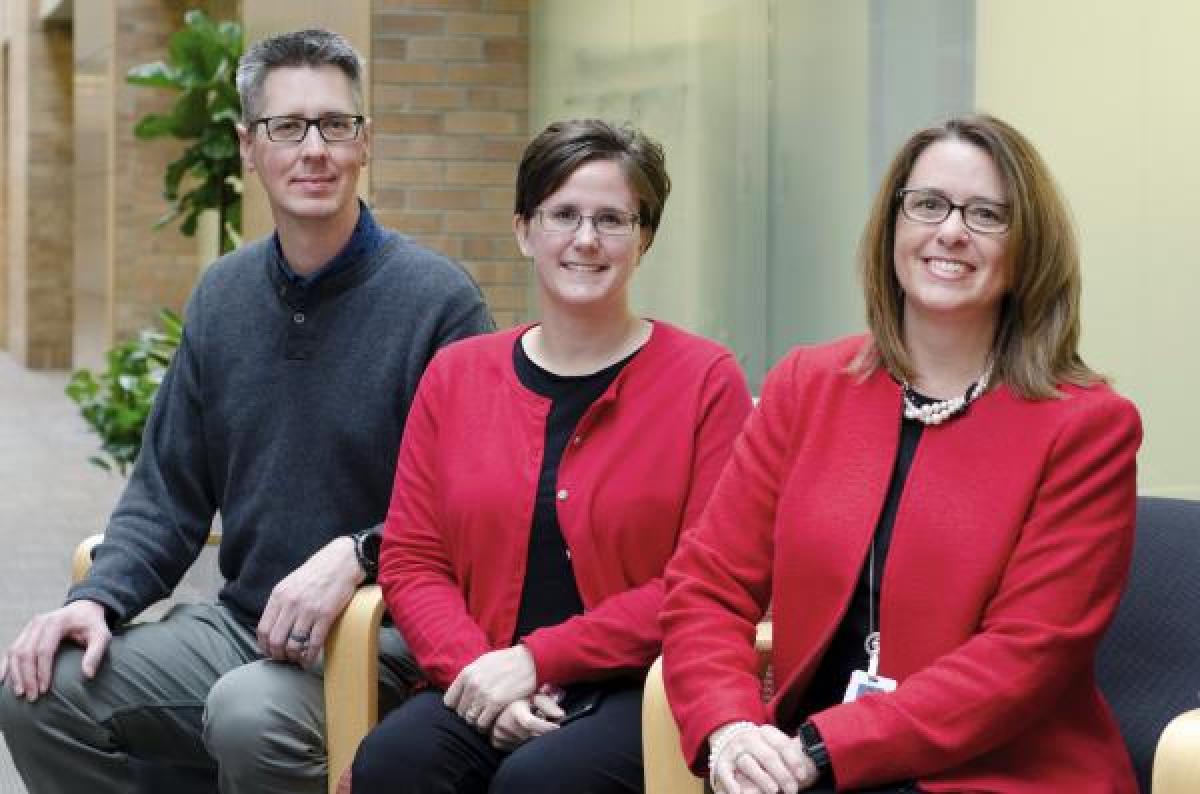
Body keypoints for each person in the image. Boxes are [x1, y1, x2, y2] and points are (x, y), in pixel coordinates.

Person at [0, 28, 492, 794]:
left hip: (389, 641)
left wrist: (361, 555)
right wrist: (95, 599)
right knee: (38, 688)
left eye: (336, 125)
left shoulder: (438, 303)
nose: (314, 149)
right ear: (247, 147)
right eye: (286, 128)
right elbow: (166, 498)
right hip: (244, 626)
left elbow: (476, 506)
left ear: (366, 144)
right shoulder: (223, 297)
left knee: (246, 713)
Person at [660, 114, 1142, 794]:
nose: (951, 231)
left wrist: (819, 750)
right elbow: (706, 586)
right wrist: (730, 725)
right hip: (800, 760)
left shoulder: (1088, 428)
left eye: (987, 215)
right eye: (928, 204)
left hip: (993, 773)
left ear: (1027, 247)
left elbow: (1025, 657)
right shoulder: (808, 386)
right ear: (893, 225)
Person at [350, 119, 754, 793]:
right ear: (524, 230)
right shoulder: (457, 376)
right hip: (482, 674)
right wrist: (483, 676)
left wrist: (537, 660)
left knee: (540, 783)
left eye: (612, 219)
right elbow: (413, 559)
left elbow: (703, 579)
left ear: (644, 237)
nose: (587, 239)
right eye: (563, 214)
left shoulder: (705, 380)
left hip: (641, 686)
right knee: (395, 762)